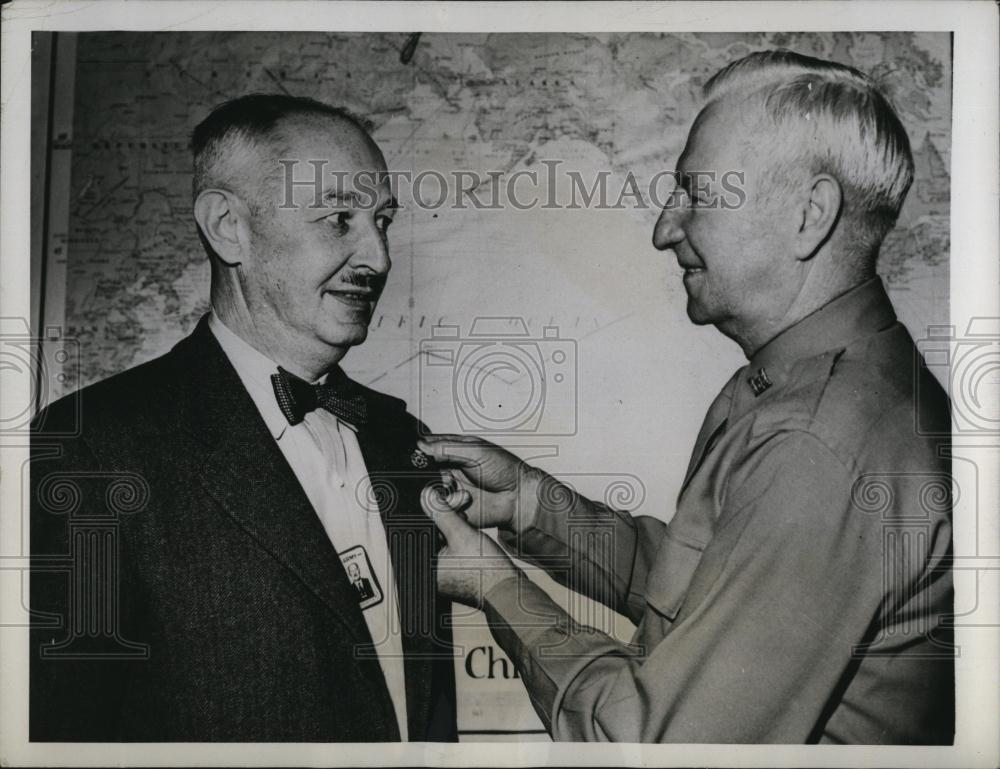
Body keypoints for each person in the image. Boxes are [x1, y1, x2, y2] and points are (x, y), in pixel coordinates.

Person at [418, 50, 953, 743]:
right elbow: (715, 586)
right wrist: (526, 502)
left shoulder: (818, 442)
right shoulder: (825, 387)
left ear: (809, 214)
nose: (664, 228)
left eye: (696, 194)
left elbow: (652, 746)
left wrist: (495, 587)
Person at [30, 94, 456, 741]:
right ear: (229, 225)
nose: (378, 257)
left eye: (383, 221)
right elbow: (59, 734)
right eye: (339, 217)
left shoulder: (399, 437)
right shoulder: (95, 445)